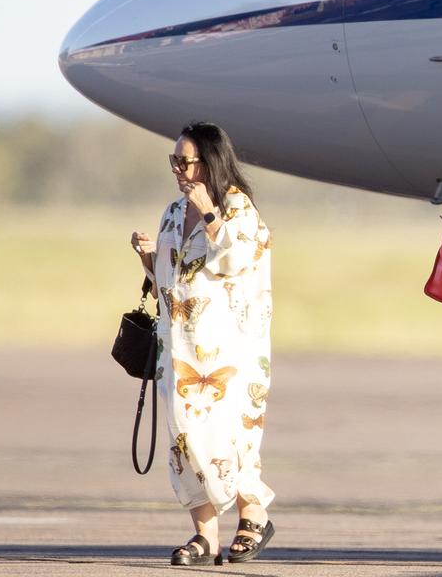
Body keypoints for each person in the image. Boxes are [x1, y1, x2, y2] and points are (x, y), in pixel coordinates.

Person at [129, 122, 276, 565]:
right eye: (173, 160)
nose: (178, 168)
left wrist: (210, 214)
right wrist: (148, 259)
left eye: (185, 160)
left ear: (209, 162)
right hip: (179, 350)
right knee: (185, 440)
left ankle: (253, 512)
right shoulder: (173, 212)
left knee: (229, 438)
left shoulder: (238, 209)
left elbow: (234, 259)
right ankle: (205, 534)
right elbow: (169, 286)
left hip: (229, 350)